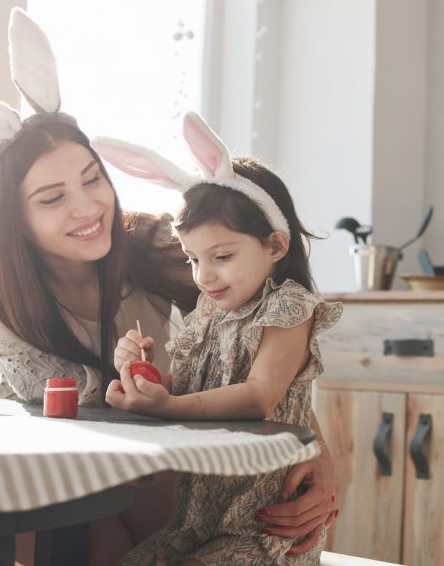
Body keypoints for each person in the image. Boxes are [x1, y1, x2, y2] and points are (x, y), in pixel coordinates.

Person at [0, 8, 338, 565]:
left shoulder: (169, 252)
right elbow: (74, 409)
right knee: (34, 505)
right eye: (52, 197)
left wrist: (320, 454)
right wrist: (142, 383)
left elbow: (272, 352)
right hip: (61, 466)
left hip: (162, 476)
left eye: (93, 179)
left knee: (130, 498)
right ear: (12, 222)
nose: (88, 207)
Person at [96, 112, 342, 565]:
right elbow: (196, 391)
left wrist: (166, 407)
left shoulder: (289, 309)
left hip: (261, 530)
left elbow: (257, 396)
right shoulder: (211, 313)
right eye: (192, 259)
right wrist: (148, 378)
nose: (203, 275)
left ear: (275, 246)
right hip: (196, 523)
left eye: (222, 256)